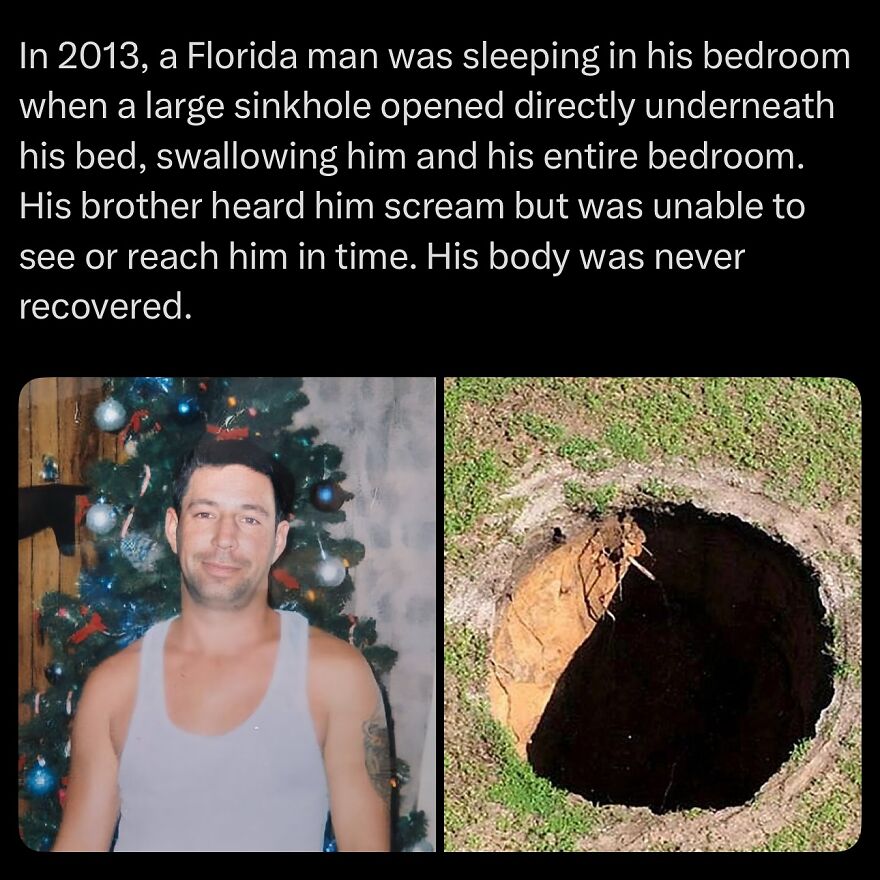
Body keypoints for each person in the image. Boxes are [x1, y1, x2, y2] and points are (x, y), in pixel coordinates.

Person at [52, 436, 391, 852]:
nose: (224, 539)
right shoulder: (113, 686)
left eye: (249, 519)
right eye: (206, 513)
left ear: (278, 539)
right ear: (174, 529)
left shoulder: (338, 676)